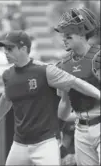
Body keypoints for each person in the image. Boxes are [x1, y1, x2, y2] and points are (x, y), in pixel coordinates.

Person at [0, 30, 100, 165]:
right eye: (4, 49)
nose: (5, 52)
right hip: (20, 142)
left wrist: (98, 94)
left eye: (10, 48)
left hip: (45, 142)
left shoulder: (45, 70)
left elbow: (75, 83)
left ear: (23, 48)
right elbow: (6, 98)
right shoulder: (7, 75)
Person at [54, 7, 100, 166]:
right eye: (63, 35)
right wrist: (57, 129)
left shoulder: (99, 57)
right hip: (80, 130)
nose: (64, 39)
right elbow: (65, 102)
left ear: (81, 34)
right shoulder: (63, 65)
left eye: (68, 35)